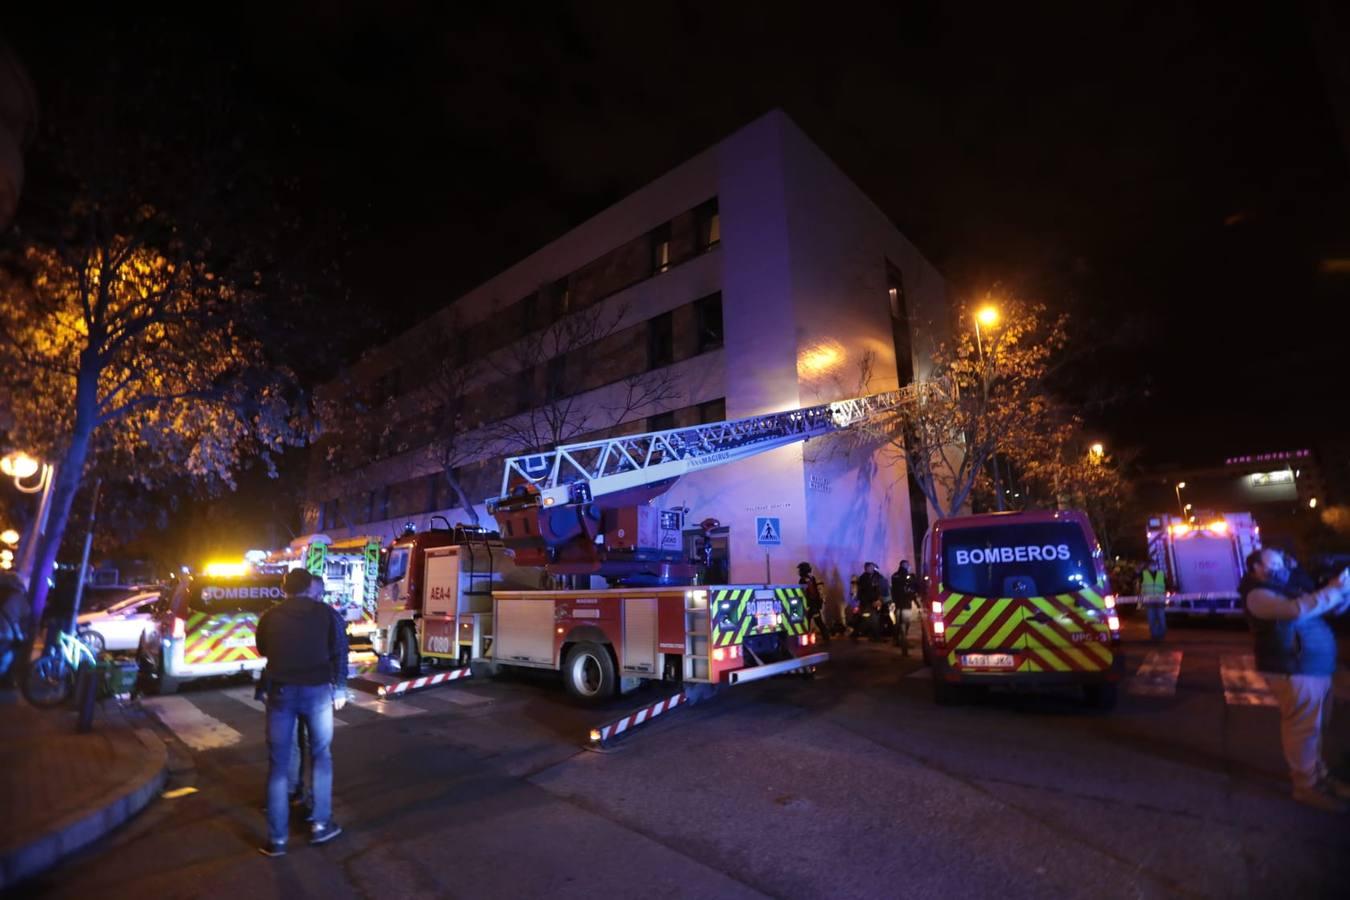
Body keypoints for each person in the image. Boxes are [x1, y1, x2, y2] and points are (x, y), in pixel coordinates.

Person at [1240, 548, 1350, 812]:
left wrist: (1343, 592)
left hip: (1315, 668)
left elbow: (1321, 607)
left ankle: (1318, 775)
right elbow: (1298, 610)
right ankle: (1305, 786)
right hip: (1293, 670)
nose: (1280, 567)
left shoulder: (1287, 588)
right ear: (1256, 568)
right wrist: (1334, 589)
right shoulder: (1257, 594)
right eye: (1273, 563)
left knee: (1317, 728)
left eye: (1281, 562)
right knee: (1303, 729)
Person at [255, 568, 349, 856]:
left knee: (278, 765)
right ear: (309, 586)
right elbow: (339, 650)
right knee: (321, 755)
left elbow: (262, 649)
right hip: (318, 691)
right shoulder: (326, 614)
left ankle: (277, 840)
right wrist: (341, 687)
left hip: (281, 692)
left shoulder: (270, 616)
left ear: (284, 589)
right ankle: (321, 825)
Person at [854, 562, 888, 642]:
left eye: (872, 567)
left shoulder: (878, 577)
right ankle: (875, 636)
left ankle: (871, 635)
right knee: (871, 619)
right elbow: (862, 592)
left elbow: (883, 588)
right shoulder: (863, 578)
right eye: (869, 568)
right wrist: (867, 601)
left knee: (874, 619)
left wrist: (880, 600)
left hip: (877, 601)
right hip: (868, 603)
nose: (871, 569)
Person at [890, 561, 918, 655]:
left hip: (898, 603)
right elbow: (911, 589)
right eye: (908, 565)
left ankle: (896, 640)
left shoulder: (895, 576)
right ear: (904, 565)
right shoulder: (907, 576)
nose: (909, 566)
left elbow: (894, 589)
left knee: (898, 622)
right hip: (905, 603)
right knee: (905, 623)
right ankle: (903, 641)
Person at [798, 562, 829, 644]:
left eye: (800, 569)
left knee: (807, 623)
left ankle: (805, 640)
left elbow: (805, 593)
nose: (799, 571)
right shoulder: (812, 578)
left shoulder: (802, 580)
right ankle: (826, 638)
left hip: (809, 606)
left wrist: (807, 604)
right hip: (814, 605)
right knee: (819, 622)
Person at [1138, 560, 1168, 642]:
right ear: (1148, 566)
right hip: (1149, 601)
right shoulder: (1143, 574)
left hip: (1160, 600)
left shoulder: (1161, 574)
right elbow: (1137, 579)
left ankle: (1161, 635)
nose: (1152, 567)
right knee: (1152, 619)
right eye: (1151, 565)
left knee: (1161, 618)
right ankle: (1154, 635)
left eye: (1154, 565)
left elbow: (1166, 586)